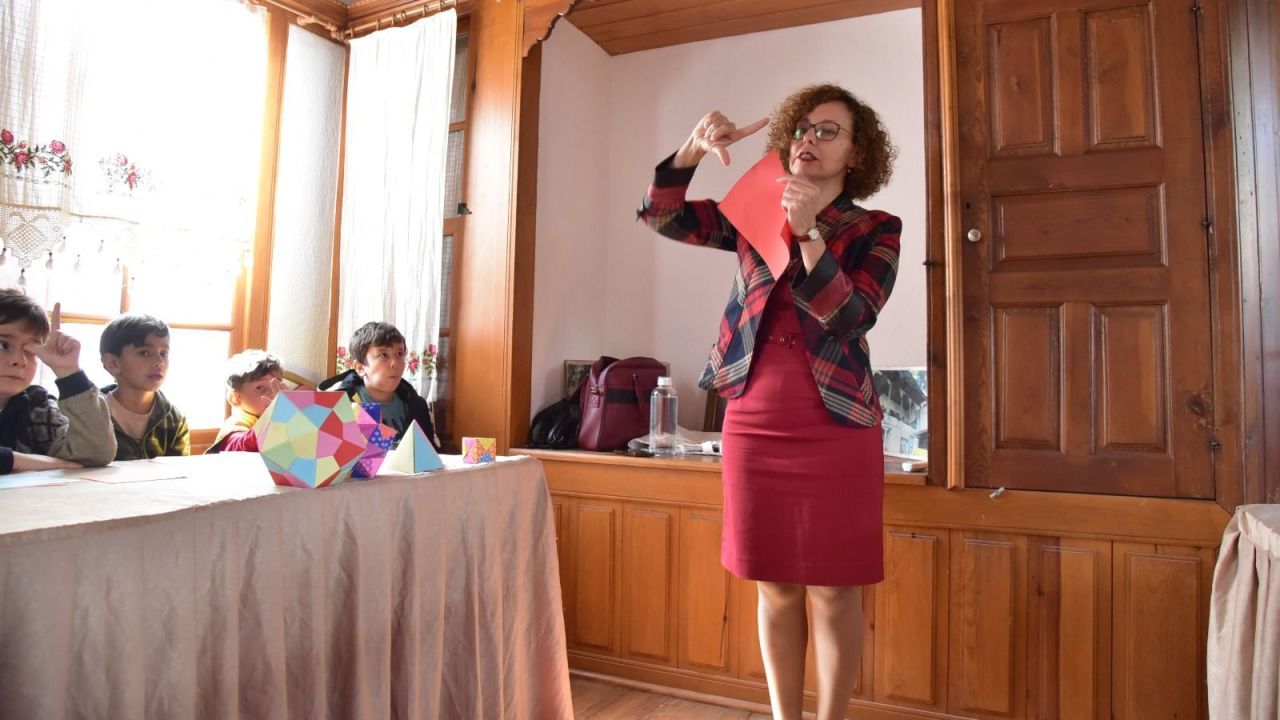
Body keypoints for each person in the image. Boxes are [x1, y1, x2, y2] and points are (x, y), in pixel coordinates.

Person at [637, 83, 901, 720]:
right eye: (802, 128)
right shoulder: (756, 208)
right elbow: (662, 215)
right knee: (776, 586)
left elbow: (852, 316)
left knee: (835, 590)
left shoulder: (876, 228)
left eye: (828, 131)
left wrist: (807, 233)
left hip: (838, 422)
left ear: (856, 153)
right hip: (754, 415)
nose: (809, 139)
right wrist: (691, 150)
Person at [0, 291, 116, 472]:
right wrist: (16, 460)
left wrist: (69, 373)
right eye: (3, 345)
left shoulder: (37, 406)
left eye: (31, 350)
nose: (20, 360)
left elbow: (94, 453)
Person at [318, 321, 439, 448]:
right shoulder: (340, 406)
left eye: (399, 354)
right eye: (383, 355)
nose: (395, 363)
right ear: (360, 367)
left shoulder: (417, 406)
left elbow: (427, 454)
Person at [100, 313, 190, 459]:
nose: (160, 362)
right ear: (113, 363)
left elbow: (179, 469)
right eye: (145, 353)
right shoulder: (92, 414)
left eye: (164, 353)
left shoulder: (173, 419)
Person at [206, 349, 283, 453]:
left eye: (277, 385)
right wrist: (275, 423)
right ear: (236, 398)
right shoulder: (238, 423)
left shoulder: (281, 415)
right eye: (260, 388)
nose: (273, 394)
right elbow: (237, 446)